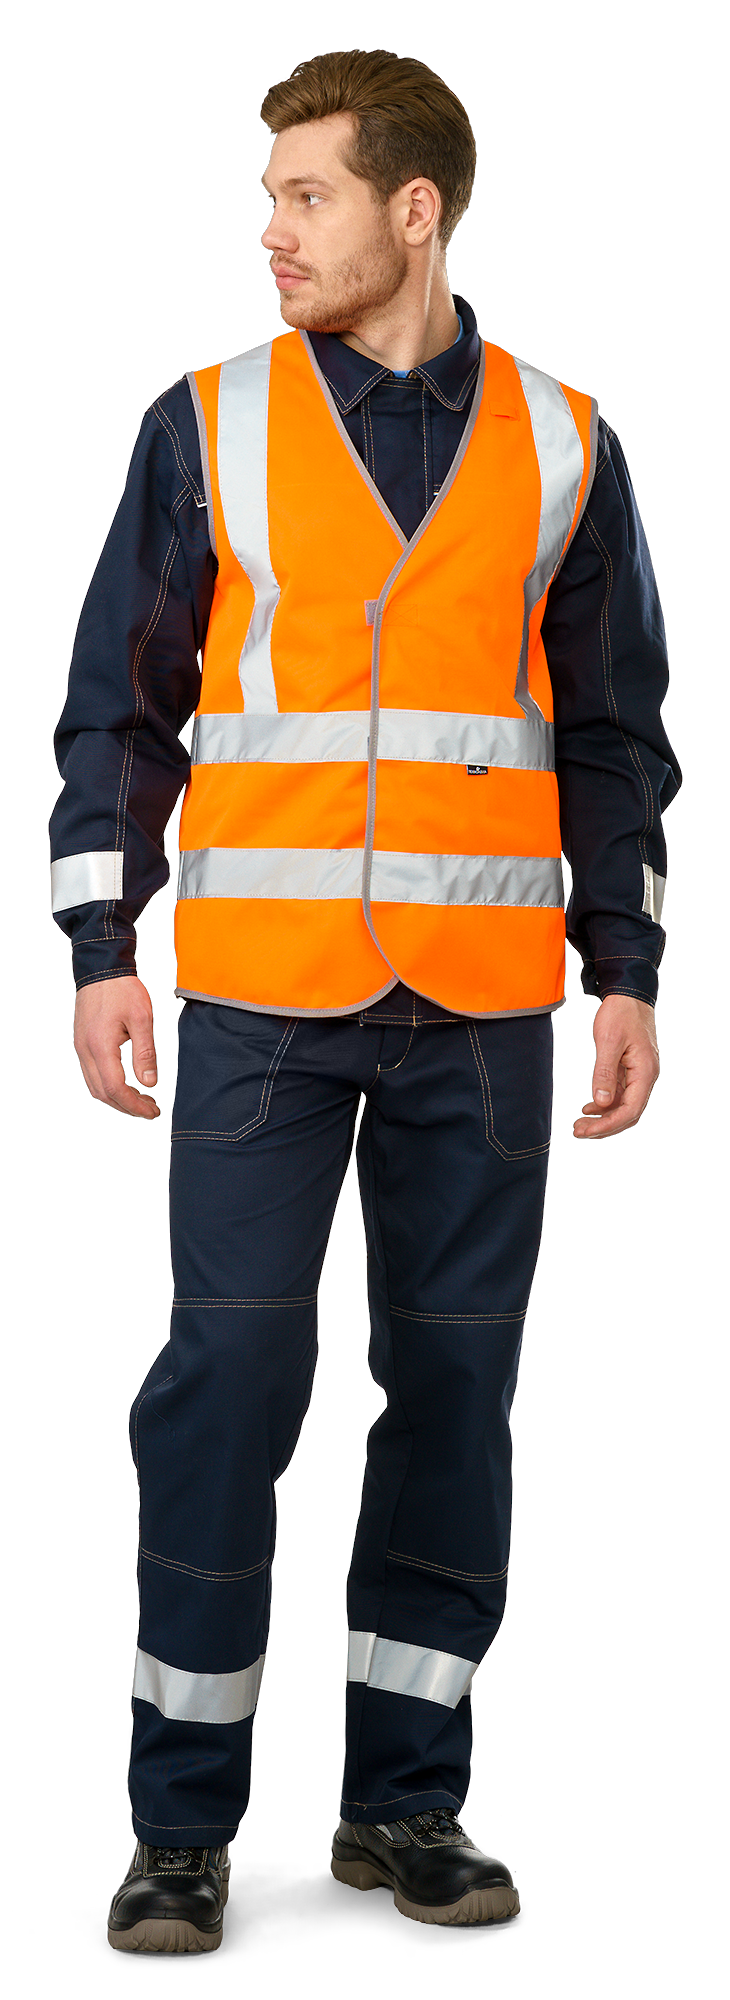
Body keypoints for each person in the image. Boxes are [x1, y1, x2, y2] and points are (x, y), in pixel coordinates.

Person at [49, 51, 681, 1952]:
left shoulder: (566, 439)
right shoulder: (207, 422)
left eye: (303, 194)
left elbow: (617, 734)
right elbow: (121, 707)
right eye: (270, 198)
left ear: (415, 209)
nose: (270, 228)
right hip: (258, 1005)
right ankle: (179, 1825)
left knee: (457, 1403)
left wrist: (628, 972)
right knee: (226, 1392)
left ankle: (408, 1803)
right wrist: (102, 950)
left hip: (486, 1017)